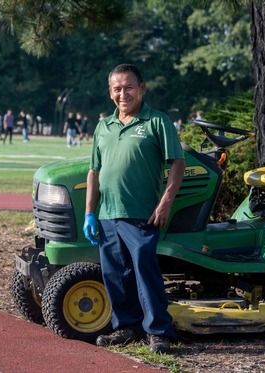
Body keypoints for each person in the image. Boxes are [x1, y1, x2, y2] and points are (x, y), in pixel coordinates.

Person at [83, 64, 185, 353]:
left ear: (142, 88)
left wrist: (165, 203)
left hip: (142, 214)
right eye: (117, 88)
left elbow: (177, 164)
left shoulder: (156, 122)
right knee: (115, 275)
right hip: (107, 215)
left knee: (144, 271)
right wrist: (90, 213)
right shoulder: (103, 126)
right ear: (110, 93)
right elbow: (94, 172)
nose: (123, 93)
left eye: (129, 87)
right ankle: (127, 327)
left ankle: (160, 332)